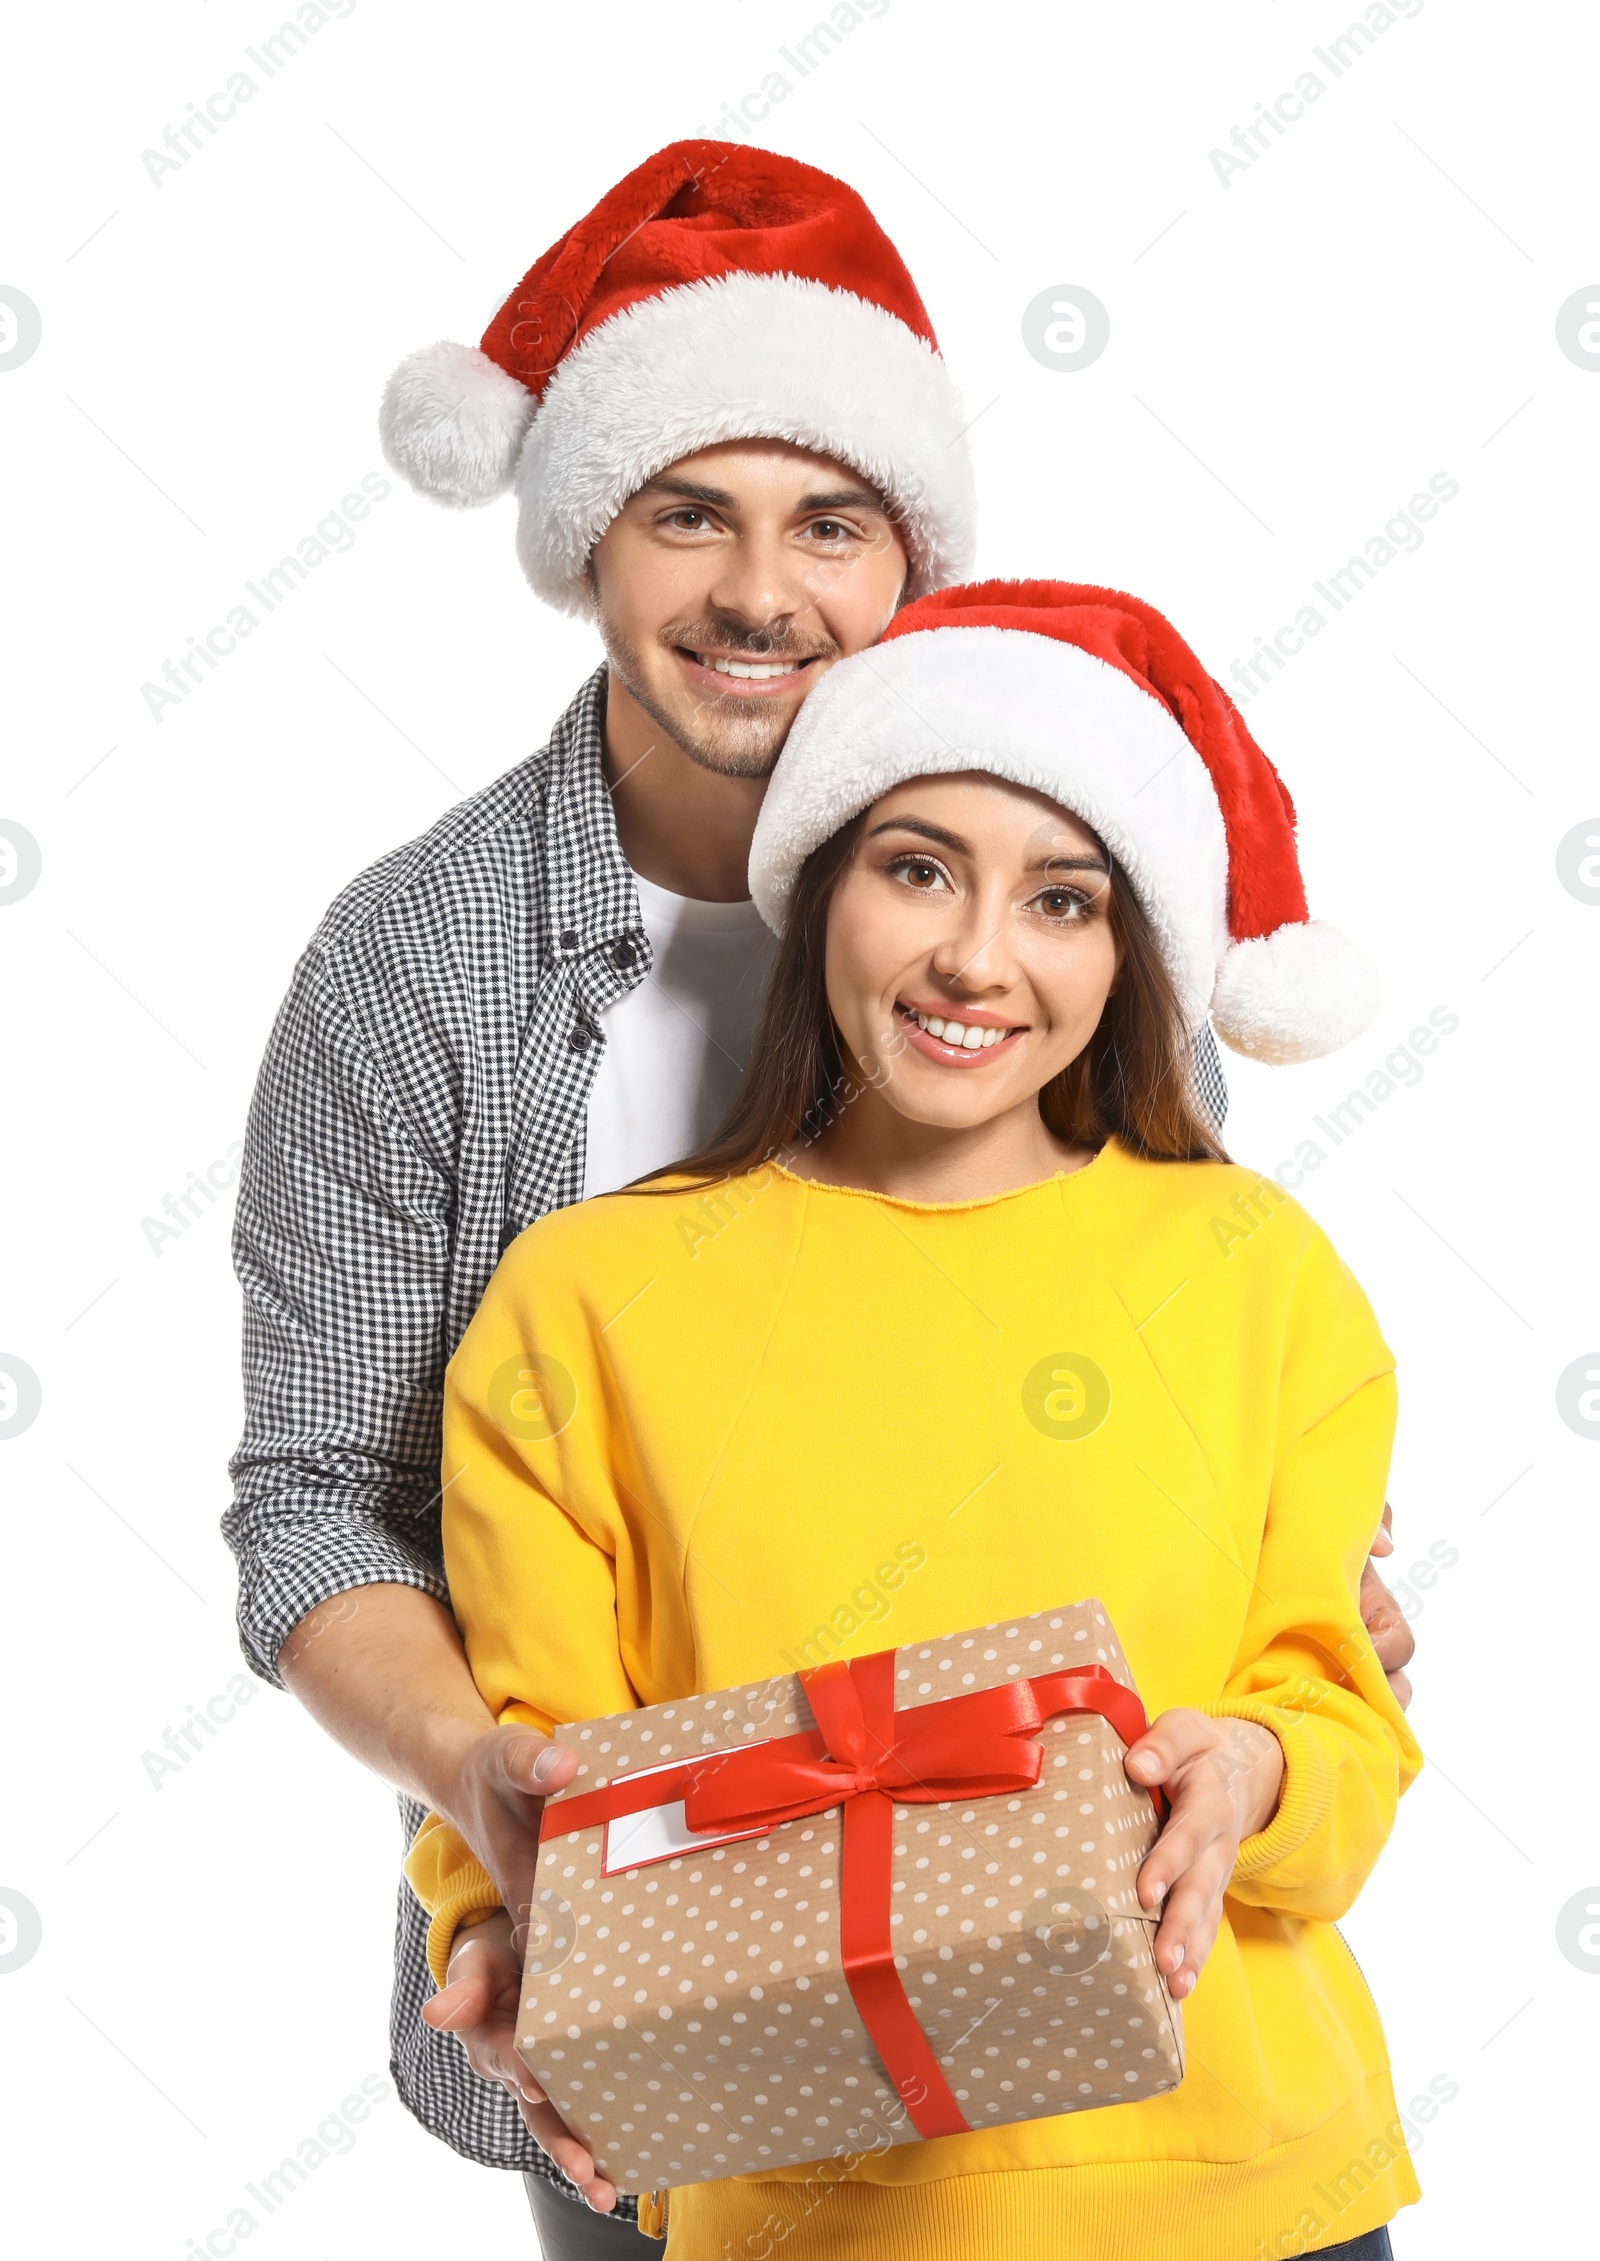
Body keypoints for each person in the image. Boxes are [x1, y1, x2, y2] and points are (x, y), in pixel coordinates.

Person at [222, 142, 1413, 2258]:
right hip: (672, 2009)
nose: (758, 591)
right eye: (687, 509)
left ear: (906, 564)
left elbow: (1214, 1444)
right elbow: (327, 1502)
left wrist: (1294, 1695)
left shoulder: (1065, 953)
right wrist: (501, 1819)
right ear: (589, 532)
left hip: (1176, 2095)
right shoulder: (417, 978)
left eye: (827, 523)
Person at [410, 582, 1422, 2261]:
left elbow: (1337, 1713)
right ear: (818, 891)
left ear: (1130, 951)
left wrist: (1255, 1766)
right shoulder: (587, 1302)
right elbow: (537, 1767)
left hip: (1250, 2194)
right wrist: (509, 1931)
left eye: (1064, 899)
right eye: (917, 866)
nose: (977, 955)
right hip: (814, 2209)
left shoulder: (1254, 1271)